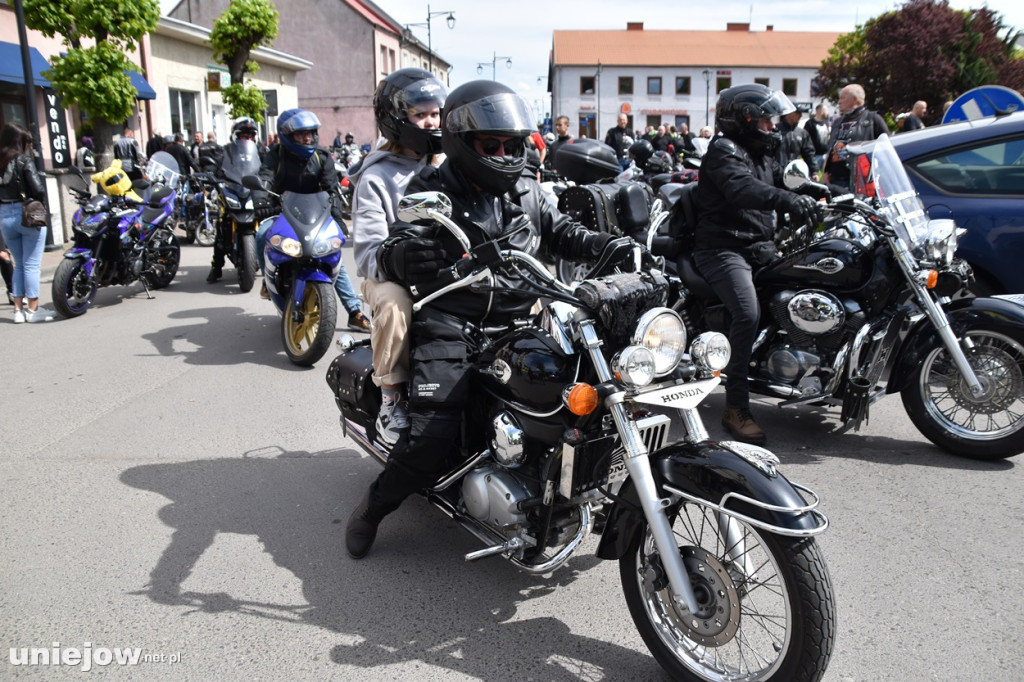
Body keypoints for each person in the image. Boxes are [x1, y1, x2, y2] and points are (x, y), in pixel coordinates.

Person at [345, 80, 632, 559]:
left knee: (589, 399)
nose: (504, 153)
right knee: (430, 437)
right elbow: (400, 239)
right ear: (463, 143)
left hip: (522, 320)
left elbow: (564, 232)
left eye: (512, 144)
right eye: (491, 145)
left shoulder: (529, 192)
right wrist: (404, 256)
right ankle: (373, 509)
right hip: (452, 321)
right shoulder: (431, 187)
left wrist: (609, 244)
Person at [693, 83, 825, 445]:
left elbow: (782, 180)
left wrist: (813, 192)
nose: (774, 127)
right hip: (723, 248)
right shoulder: (724, 150)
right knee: (747, 313)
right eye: (767, 121)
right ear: (746, 120)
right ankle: (735, 407)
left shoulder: (762, 151)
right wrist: (787, 201)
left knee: (808, 285)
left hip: (759, 244)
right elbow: (742, 189)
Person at [351, 67, 447, 444]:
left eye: (435, 113)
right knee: (394, 303)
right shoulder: (377, 178)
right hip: (391, 276)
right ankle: (391, 398)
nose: (430, 121)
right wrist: (399, 260)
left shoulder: (447, 165)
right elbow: (367, 254)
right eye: (420, 113)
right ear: (397, 117)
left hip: (444, 270)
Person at [255, 108, 371, 331]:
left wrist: (337, 220)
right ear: (287, 136)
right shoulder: (275, 155)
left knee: (331, 257)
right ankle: (267, 284)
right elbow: (265, 178)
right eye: (301, 134)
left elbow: (331, 191)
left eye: (310, 133)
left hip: (315, 216)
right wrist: (260, 200)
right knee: (262, 235)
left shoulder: (322, 157)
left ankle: (354, 311)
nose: (307, 138)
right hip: (281, 213)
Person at [0, 122, 54, 323]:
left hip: (4, 215)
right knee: (31, 265)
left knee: (19, 265)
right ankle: (33, 310)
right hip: (26, 215)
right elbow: (38, 189)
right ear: (19, 142)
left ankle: (17, 311)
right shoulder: (23, 161)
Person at [207, 117, 266, 284]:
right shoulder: (226, 151)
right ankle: (216, 267)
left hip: (252, 191)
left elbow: (268, 168)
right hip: (232, 189)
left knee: (268, 223)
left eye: (249, 136)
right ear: (235, 136)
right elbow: (216, 166)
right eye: (243, 136)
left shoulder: (261, 150)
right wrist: (211, 174)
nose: (246, 138)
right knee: (221, 226)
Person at [823, 84, 888, 191]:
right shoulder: (838, 122)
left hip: (862, 180)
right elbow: (830, 148)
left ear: (855, 99)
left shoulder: (873, 119)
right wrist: (825, 172)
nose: (839, 102)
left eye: (843, 98)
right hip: (836, 179)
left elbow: (886, 148)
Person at [776, 109, 818, 174]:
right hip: (776, 173)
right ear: (789, 113)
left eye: (801, 113)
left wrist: (814, 171)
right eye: (798, 113)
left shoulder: (802, 133)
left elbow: (809, 154)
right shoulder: (775, 130)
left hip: (794, 174)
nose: (801, 115)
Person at [803, 103, 831, 173]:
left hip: (825, 154)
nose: (827, 113)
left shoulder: (826, 123)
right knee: (814, 175)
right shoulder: (810, 123)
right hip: (815, 156)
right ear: (821, 111)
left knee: (826, 174)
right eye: (826, 111)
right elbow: (805, 139)